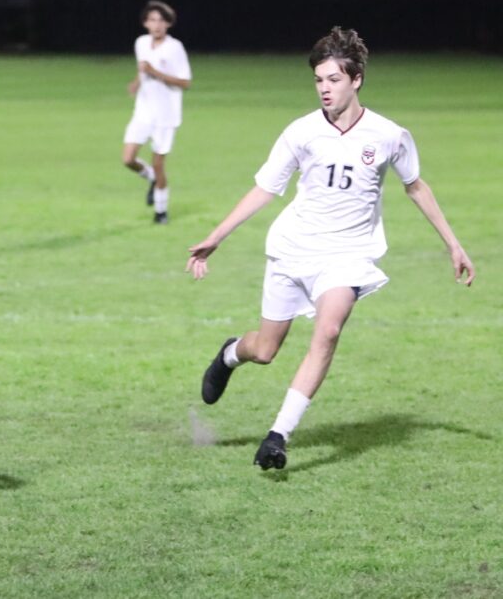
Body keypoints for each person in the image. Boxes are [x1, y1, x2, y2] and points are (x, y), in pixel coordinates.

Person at [186, 27, 475, 470]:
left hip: (348, 256)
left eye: (334, 79)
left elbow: (416, 186)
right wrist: (216, 236)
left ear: (356, 79)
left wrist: (453, 244)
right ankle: (230, 354)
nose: (325, 88)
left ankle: (278, 436)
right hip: (293, 249)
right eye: (319, 80)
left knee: (329, 331)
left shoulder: (389, 135)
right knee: (265, 350)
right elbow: (265, 189)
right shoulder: (301, 132)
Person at [122, 0, 192, 224]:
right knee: (128, 159)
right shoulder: (141, 43)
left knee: (159, 164)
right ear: (145, 23)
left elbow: (185, 82)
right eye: (152, 20)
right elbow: (143, 70)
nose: (157, 25)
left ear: (168, 24)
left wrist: (155, 72)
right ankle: (150, 177)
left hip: (166, 116)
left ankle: (161, 212)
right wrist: (137, 83)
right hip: (143, 112)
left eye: (161, 20)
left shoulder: (175, 48)